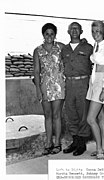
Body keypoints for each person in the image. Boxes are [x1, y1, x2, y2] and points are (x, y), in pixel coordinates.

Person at [33, 23, 65, 155]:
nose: (49, 36)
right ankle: (48, 142)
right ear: (43, 35)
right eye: (47, 34)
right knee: (47, 115)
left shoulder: (61, 47)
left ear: (55, 35)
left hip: (58, 85)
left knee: (57, 115)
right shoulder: (37, 50)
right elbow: (36, 71)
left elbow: (72, 52)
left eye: (52, 34)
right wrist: (38, 90)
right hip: (44, 86)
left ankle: (57, 142)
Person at [61, 22, 93, 156]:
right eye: (71, 28)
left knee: (83, 113)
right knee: (71, 113)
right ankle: (74, 141)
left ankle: (81, 144)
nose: (74, 30)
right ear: (68, 31)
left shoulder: (88, 47)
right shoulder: (64, 49)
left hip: (83, 83)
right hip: (69, 84)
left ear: (81, 31)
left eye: (77, 28)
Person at [86, 20, 104, 160]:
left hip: (102, 84)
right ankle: (103, 146)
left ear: (103, 32)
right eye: (93, 31)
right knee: (101, 117)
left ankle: (99, 150)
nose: (95, 34)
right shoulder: (96, 45)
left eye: (98, 31)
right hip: (94, 83)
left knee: (90, 119)